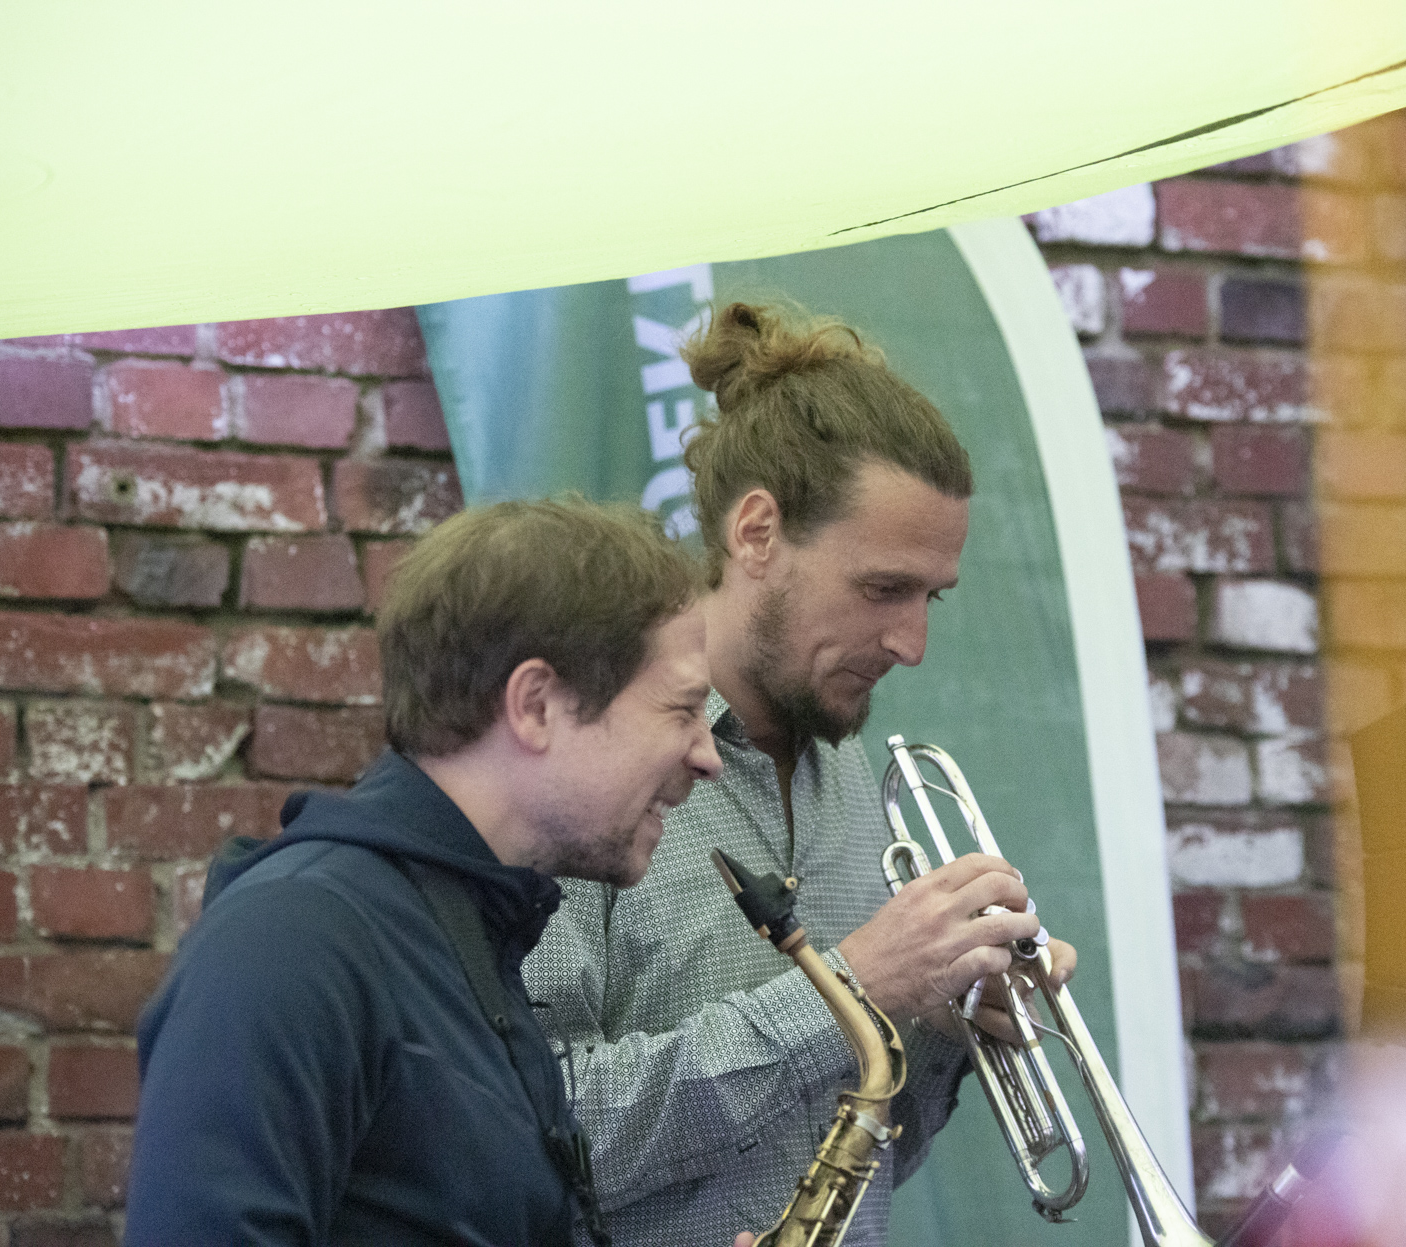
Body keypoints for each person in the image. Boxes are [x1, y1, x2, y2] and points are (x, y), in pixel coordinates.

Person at [524, 302, 1076, 1247]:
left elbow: (859, 1153)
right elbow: (537, 1129)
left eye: (931, 597)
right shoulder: (585, 762)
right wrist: (853, 987)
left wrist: (947, 1021)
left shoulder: (855, 783)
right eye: (882, 589)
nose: (911, 643)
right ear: (756, 532)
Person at [126, 499, 723, 1246]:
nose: (709, 754)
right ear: (535, 705)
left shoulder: (464, 928)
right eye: (683, 709)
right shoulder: (291, 941)